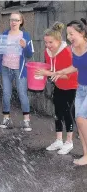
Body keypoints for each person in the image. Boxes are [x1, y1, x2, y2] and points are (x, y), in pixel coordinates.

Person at [35, 22, 78, 155]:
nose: (48, 46)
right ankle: (59, 140)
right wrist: (42, 73)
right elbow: (50, 68)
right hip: (58, 85)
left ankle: (69, 142)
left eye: (51, 43)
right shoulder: (48, 52)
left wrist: (48, 74)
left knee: (67, 112)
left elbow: (70, 76)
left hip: (71, 86)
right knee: (57, 112)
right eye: (46, 42)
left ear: (59, 41)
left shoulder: (67, 52)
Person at [53, 19, 87, 165]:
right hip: (81, 88)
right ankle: (86, 155)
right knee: (80, 124)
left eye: (71, 34)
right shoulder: (74, 49)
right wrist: (60, 72)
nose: (68, 37)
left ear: (82, 33)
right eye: (68, 34)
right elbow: (75, 66)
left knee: (80, 118)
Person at [0, 11, 34, 131]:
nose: (13, 22)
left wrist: (24, 46)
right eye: (11, 20)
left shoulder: (25, 35)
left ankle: (26, 121)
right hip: (6, 67)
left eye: (16, 20)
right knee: (6, 93)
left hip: (19, 69)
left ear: (21, 21)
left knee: (22, 94)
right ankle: (6, 118)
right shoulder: (5, 34)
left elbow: (29, 54)